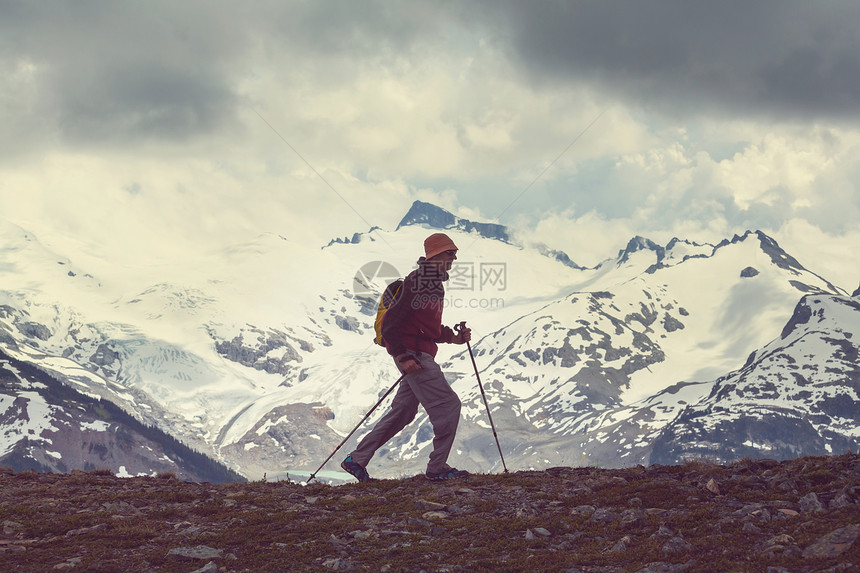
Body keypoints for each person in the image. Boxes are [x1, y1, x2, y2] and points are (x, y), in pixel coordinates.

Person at [342, 232, 471, 482]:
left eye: (454, 252)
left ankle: (356, 460)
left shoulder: (433, 283)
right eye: (449, 252)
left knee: (403, 411)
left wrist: (454, 337)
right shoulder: (418, 282)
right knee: (449, 405)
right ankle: (437, 467)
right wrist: (402, 356)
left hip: (417, 353)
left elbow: (426, 329)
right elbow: (391, 324)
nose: (454, 256)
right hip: (414, 356)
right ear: (434, 254)